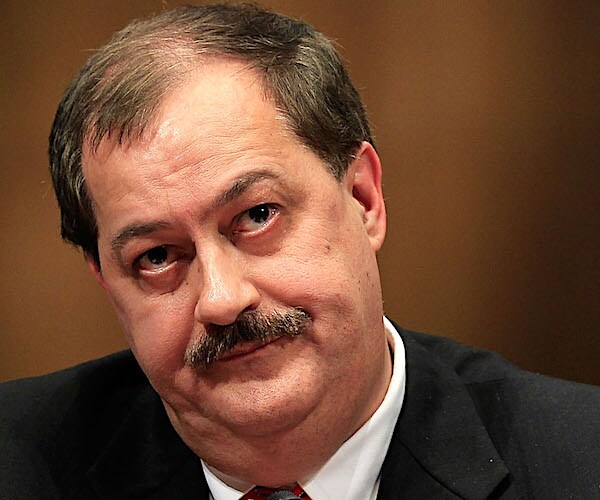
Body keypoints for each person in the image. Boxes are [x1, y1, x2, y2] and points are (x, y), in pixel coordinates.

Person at [1, 4, 599, 499]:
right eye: (157, 256)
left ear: (363, 198)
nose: (222, 300)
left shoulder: (579, 462)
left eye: (257, 215)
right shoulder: (19, 465)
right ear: (106, 281)